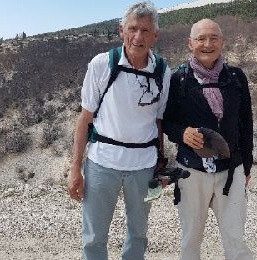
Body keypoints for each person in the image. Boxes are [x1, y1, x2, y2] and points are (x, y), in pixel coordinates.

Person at [67, 2, 170, 260]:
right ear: (121, 30)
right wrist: (75, 168)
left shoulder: (162, 71)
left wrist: (161, 163)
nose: (138, 36)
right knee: (93, 237)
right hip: (102, 163)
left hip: (143, 165)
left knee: (138, 235)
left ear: (155, 35)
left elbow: (159, 122)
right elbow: (85, 119)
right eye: (133, 29)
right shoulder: (102, 64)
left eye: (146, 30)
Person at [163, 19, 253, 260]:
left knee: (235, 238)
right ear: (189, 43)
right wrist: (181, 133)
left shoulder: (236, 78)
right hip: (191, 171)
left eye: (214, 38)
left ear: (222, 42)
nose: (207, 43)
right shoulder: (177, 79)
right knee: (190, 239)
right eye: (201, 38)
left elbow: (246, 123)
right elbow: (166, 121)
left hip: (231, 170)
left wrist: (247, 165)